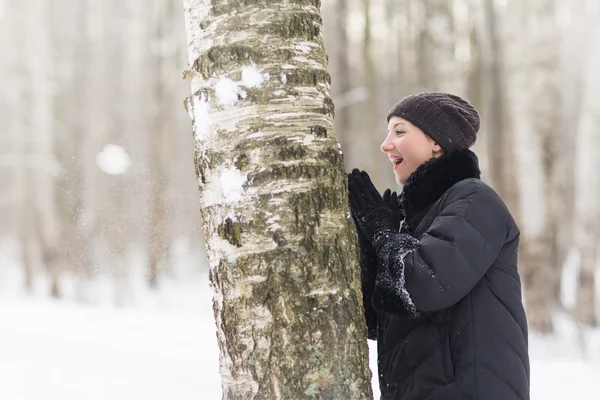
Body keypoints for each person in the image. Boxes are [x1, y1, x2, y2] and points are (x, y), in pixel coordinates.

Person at [347, 92, 530, 400]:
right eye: (387, 132)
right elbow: (379, 320)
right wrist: (371, 248)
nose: (385, 143)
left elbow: (425, 284)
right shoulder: (419, 221)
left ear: (436, 142)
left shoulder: (475, 201)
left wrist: (382, 234)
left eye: (399, 131)